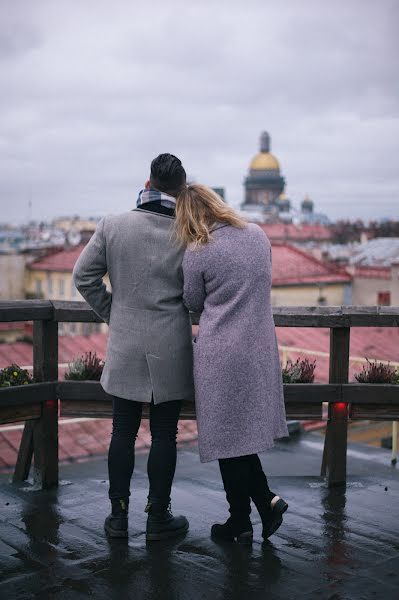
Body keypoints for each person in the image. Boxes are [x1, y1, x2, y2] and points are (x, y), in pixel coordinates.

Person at [72, 154, 194, 540]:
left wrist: (115, 313)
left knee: (122, 432)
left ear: (148, 183)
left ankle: (118, 516)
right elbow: (194, 295)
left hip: (125, 343)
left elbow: (83, 277)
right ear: (180, 190)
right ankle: (158, 517)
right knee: (164, 436)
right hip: (171, 345)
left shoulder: (113, 225)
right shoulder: (188, 233)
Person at [176, 184, 289, 544]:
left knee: (227, 436)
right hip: (259, 348)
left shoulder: (199, 249)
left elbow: (191, 299)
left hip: (221, 353)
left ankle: (246, 516)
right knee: (237, 436)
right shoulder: (258, 235)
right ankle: (251, 511)